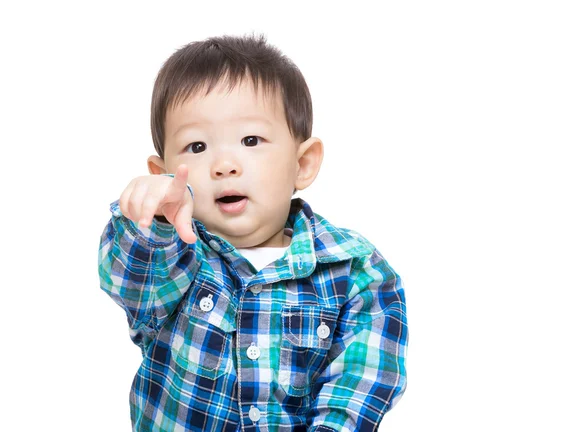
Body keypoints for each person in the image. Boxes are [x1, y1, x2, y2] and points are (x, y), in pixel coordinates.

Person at [98, 33, 408, 432]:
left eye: (250, 140)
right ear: (165, 174)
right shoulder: (173, 260)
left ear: (303, 163)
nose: (224, 164)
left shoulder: (354, 268)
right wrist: (154, 218)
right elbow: (130, 276)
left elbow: (361, 384)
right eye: (196, 146)